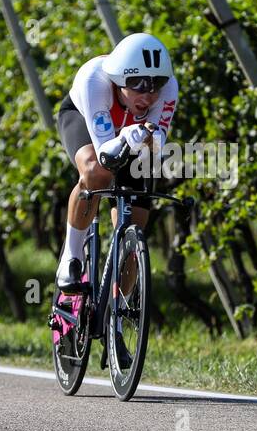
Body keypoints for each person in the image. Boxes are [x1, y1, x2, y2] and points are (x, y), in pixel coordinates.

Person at [54, 32, 178, 289]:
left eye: (156, 84)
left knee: (136, 224)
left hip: (132, 139)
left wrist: (144, 138)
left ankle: (117, 311)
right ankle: (72, 256)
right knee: (96, 173)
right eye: (139, 85)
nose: (148, 95)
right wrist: (124, 138)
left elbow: (155, 146)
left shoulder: (169, 89)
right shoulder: (94, 81)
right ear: (119, 80)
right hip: (84, 122)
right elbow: (104, 156)